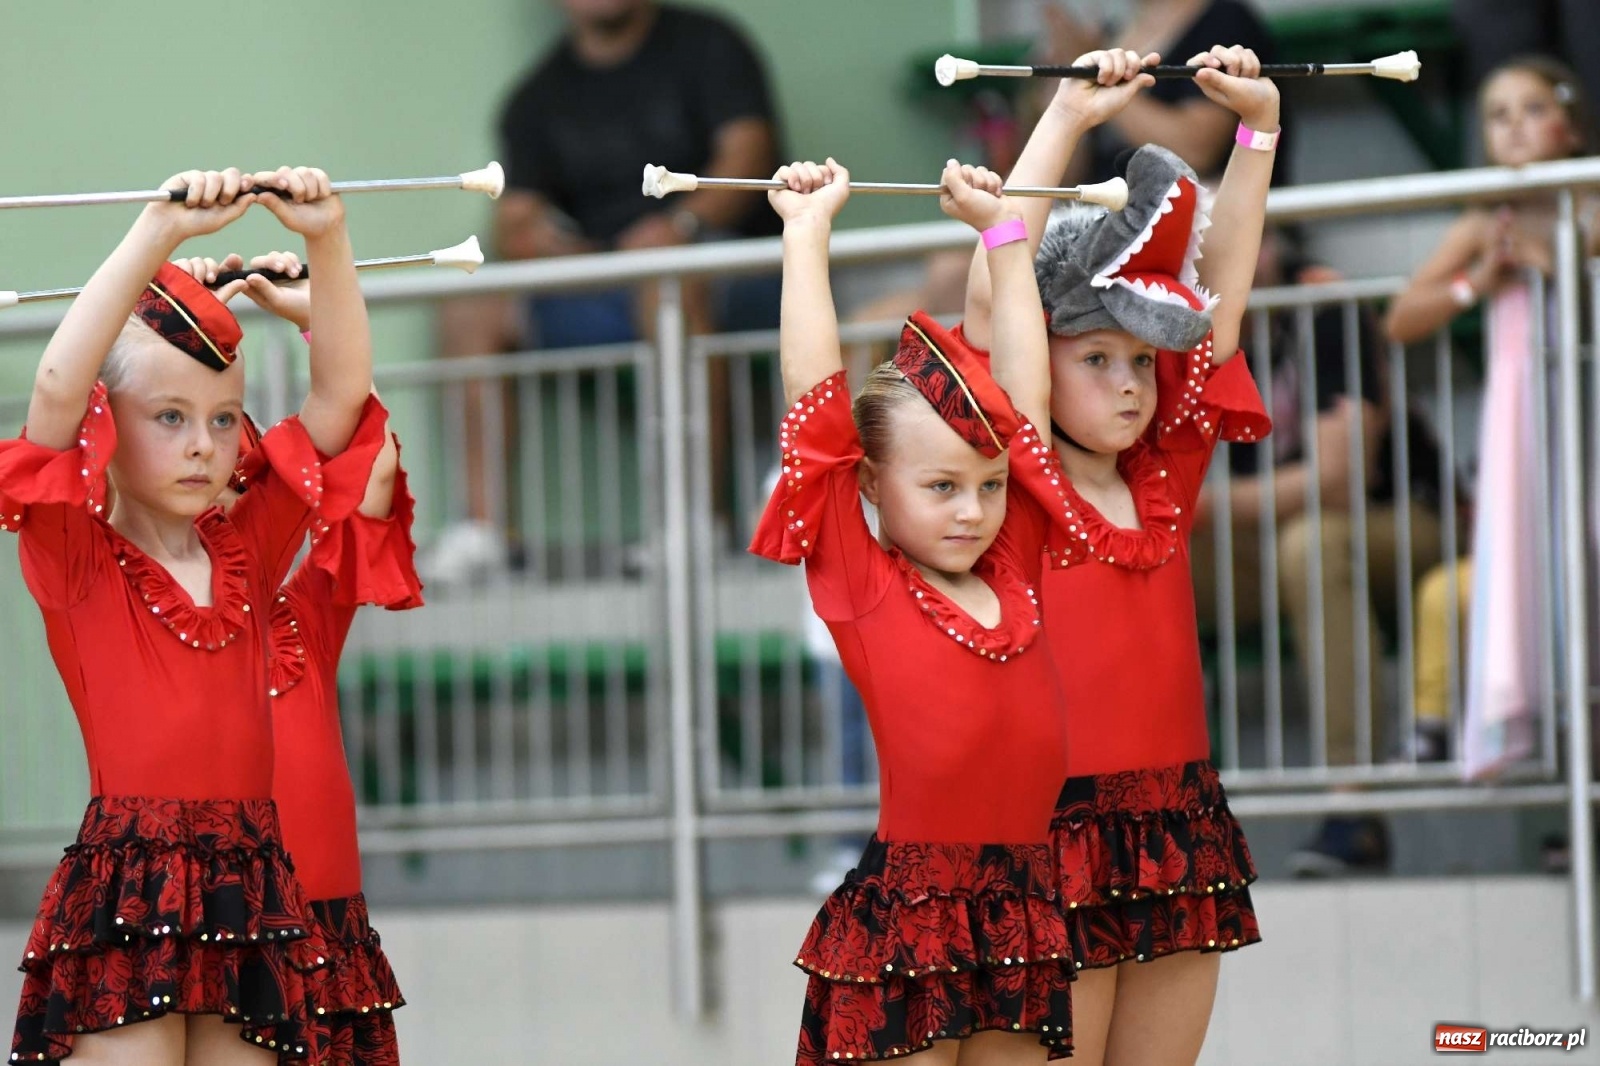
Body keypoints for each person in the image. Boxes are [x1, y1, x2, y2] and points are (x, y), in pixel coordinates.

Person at [1, 166, 382, 1065]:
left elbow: (338, 405)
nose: (203, 445)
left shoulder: (247, 546)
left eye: (222, 419)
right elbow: (54, 391)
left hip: (251, 885)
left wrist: (327, 241)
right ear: (110, 422)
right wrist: (156, 234)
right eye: (169, 417)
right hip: (128, 885)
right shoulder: (77, 560)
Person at [962, 45, 1277, 1066]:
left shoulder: (1165, 475)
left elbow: (1216, 306)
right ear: (1040, 356)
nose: (1132, 382)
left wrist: (1257, 133)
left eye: (1140, 359)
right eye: (1095, 358)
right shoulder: (1012, 482)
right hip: (1051, 829)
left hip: (1176, 818)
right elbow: (994, 294)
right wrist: (1062, 119)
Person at [756, 156, 1076, 1065]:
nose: (973, 510)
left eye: (986, 486)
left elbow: (1026, 409)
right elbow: (814, 405)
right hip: (913, 917)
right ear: (870, 486)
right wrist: (806, 235)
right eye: (941, 487)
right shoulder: (867, 585)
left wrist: (1004, 237)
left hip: (1019, 904)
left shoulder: (1015, 567)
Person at [429, 0, 782, 582]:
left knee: (664, 286)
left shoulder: (710, 44)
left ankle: (693, 523)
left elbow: (748, 156)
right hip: (603, 278)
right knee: (470, 307)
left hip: (726, 270)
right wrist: (542, 241)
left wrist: (679, 228)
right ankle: (484, 532)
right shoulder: (536, 96)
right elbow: (515, 217)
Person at [173, 250, 422, 1066]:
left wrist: (313, 312)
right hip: (210, 919)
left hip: (323, 920)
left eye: (243, 478)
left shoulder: (304, 610)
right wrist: (181, 313)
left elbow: (369, 460)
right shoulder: (138, 601)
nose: (220, 487)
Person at [1385, 55, 1599, 780]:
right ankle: (1564, 775)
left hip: (1587, 405)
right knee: (1531, 577)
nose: (1515, 129)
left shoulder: (1591, 199)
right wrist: (1474, 284)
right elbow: (1402, 319)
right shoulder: (1486, 219)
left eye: (1532, 110)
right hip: (1523, 421)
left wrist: (1553, 259)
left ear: (1569, 123)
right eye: (1498, 115)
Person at [1037, 0, 1277, 183]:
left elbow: (1196, 151)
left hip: (1198, 226)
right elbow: (1064, 175)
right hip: (1107, 226)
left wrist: (1100, 81)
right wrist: (1061, 90)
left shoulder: (1225, 22)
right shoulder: (1111, 32)